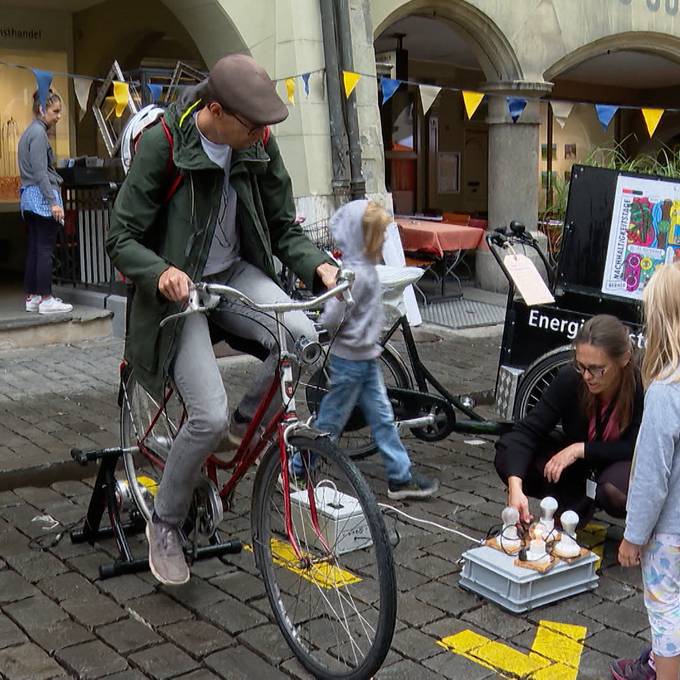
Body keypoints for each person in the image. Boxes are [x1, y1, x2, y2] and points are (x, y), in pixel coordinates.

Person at [106, 54, 338, 586]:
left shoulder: (256, 143)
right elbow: (121, 239)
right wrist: (160, 270)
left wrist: (318, 264)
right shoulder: (165, 143)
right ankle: (164, 522)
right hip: (178, 292)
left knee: (305, 340)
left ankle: (241, 429)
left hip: (234, 274)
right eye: (253, 126)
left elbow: (283, 228)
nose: (262, 136)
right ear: (216, 111)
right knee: (204, 414)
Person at [292, 199, 439, 500]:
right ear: (365, 238)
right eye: (380, 234)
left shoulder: (364, 269)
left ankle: (400, 477)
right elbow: (334, 315)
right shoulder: (353, 275)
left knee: (382, 418)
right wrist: (333, 327)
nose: (385, 239)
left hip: (365, 359)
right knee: (331, 422)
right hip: (350, 362)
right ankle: (297, 468)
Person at [495, 314, 643, 525]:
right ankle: (567, 503)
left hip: (618, 463)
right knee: (508, 453)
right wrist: (515, 488)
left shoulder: (640, 386)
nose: (587, 376)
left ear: (624, 359)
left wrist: (579, 449)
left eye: (597, 368)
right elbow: (527, 431)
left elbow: (634, 447)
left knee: (614, 491)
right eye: (581, 365)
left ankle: (636, 529)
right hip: (578, 471)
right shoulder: (571, 377)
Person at [613, 263, 680, 680]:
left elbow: (651, 480)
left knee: (666, 614)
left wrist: (632, 537)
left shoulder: (664, 393)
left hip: (669, 535)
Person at [18, 89, 73, 315]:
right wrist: (53, 202)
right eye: (55, 111)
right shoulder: (39, 135)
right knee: (44, 250)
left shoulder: (28, 133)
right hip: (41, 198)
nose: (59, 116)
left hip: (28, 198)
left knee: (34, 248)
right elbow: (41, 171)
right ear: (42, 110)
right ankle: (46, 298)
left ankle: (33, 296)